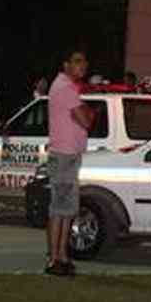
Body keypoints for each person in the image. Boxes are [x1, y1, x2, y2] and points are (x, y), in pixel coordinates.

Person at [44, 49, 96, 277]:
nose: (82, 65)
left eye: (84, 61)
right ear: (66, 65)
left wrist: (85, 110)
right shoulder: (65, 88)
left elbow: (84, 117)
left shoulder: (68, 87)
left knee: (67, 210)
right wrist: (87, 110)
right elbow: (86, 119)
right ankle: (54, 257)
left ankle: (62, 256)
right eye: (77, 61)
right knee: (59, 209)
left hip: (68, 155)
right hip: (63, 155)